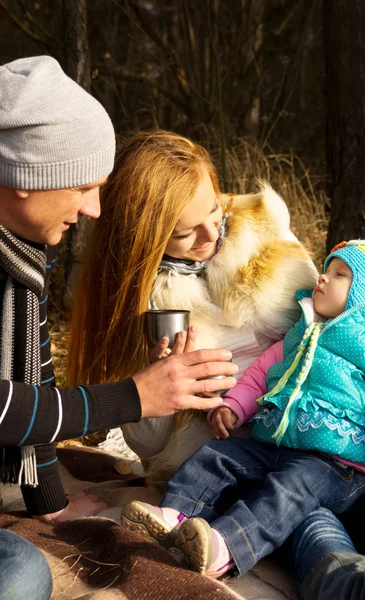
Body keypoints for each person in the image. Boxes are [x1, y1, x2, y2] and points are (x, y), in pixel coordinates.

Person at [0, 56, 237, 600]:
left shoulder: (23, 265)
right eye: (84, 187)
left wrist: (52, 507)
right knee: (20, 576)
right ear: (27, 180)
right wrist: (133, 396)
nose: (95, 209)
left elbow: (36, 395)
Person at [125, 239, 365, 596]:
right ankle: (174, 516)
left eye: (339, 274)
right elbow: (261, 372)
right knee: (217, 457)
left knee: (288, 491)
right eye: (326, 269)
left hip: (338, 462)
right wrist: (235, 406)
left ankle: (226, 547)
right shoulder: (303, 328)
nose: (324, 278)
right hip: (277, 443)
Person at [68, 129, 318, 490]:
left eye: (215, 207)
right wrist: (158, 380)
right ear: (146, 236)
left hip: (306, 435)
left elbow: (329, 333)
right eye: (185, 233)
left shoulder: (267, 229)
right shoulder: (138, 299)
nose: (211, 234)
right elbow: (149, 445)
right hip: (217, 466)